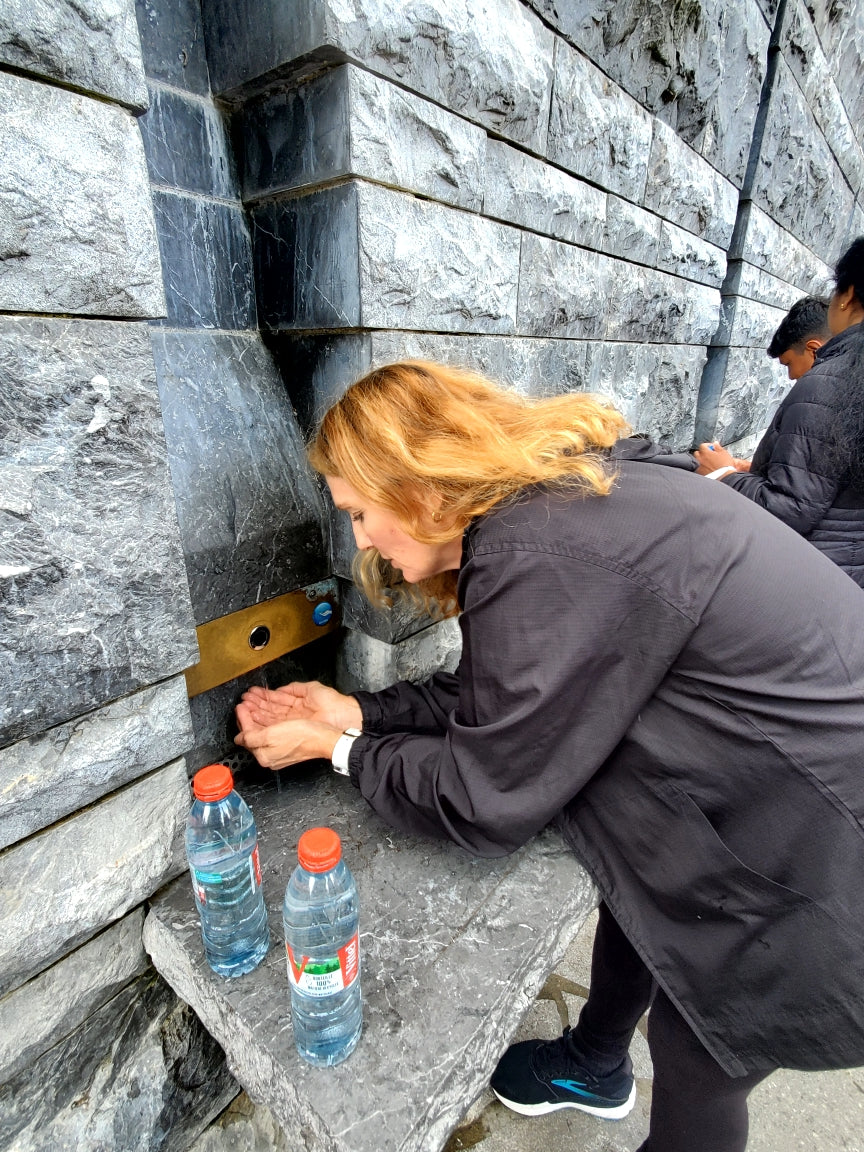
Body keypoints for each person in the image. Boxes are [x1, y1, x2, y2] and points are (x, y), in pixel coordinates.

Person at [234, 360, 864, 1152]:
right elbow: (507, 693)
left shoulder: (539, 550)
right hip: (774, 797)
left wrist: (340, 748)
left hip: (827, 845)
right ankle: (596, 1061)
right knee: (640, 903)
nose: (363, 542)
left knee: (700, 1053)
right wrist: (360, 707)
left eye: (360, 514)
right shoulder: (568, 503)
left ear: (417, 484)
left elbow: (483, 796)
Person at [693, 238, 864, 586]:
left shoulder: (831, 384)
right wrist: (756, 471)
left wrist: (724, 473)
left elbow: (791, 510)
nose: (790, 376)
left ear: (847, 294)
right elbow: (830, 479)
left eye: (789, 364)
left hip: (809, 578)